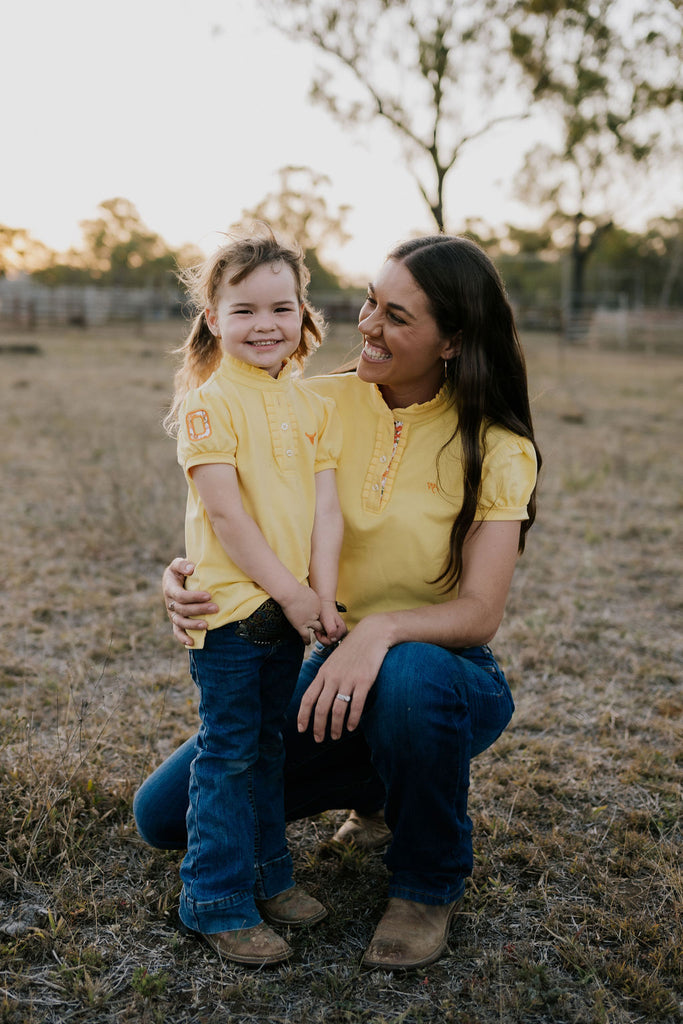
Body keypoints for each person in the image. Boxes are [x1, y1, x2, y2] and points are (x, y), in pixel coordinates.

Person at [135, 234, 541, 971]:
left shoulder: (496, 445)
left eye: (396, 317)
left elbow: (480, 611)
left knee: (409, 680)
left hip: (442, 678)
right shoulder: (311, 401)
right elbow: (232, 510)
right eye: (368, 302)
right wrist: (182, 575)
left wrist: (377, 632)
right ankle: (379, 784)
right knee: (163, 817)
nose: (368, 326)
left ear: (451, 341)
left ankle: (425, 882)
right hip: (319, 659)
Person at [162, 230, 346, 966]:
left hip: (295, 609)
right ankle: (214, 897)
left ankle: (270, 875)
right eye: (244, 309)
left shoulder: (311, 407)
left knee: (270, 748)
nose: (264, 324)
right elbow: (228, 517)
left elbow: (326, 510)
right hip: (234, 615)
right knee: (230, 753)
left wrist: (322, 597)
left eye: (281, 306)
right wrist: (295, 595)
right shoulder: (206, 407)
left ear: (303, 313)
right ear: (212, 316)